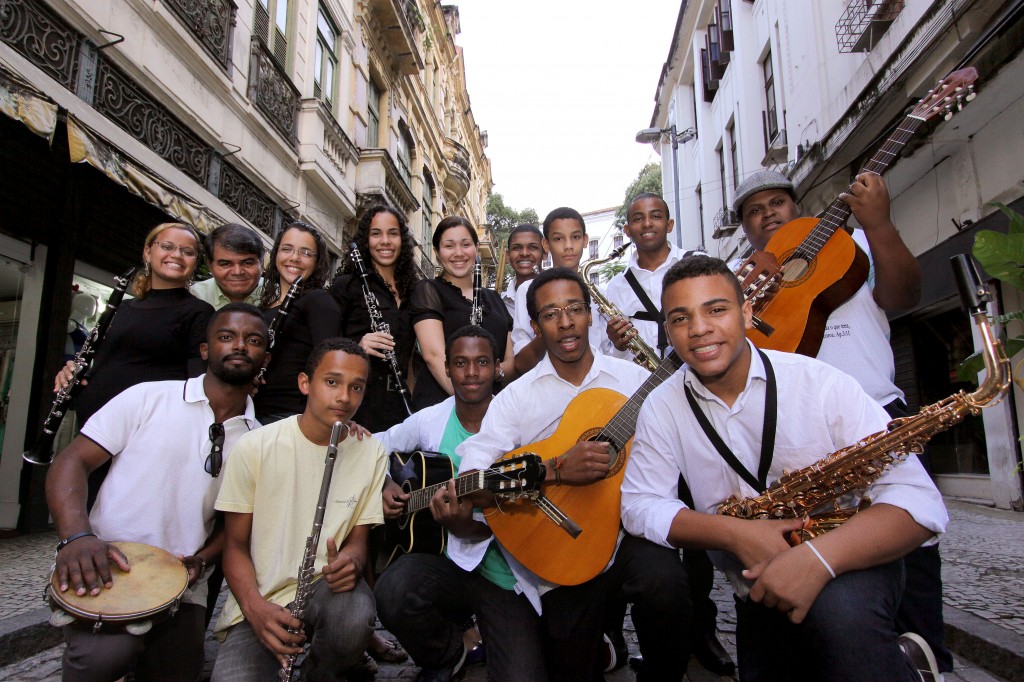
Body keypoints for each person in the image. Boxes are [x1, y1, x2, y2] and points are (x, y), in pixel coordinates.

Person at [620, 256, 947, 681]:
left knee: (842, 626)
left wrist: (818, 560)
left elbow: (919, 501)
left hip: (846, 559)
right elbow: (640, 504)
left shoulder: (822, 383)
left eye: (716, 309)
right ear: (667, 331)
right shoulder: (661, 407)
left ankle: (901, 666)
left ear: (748, 312)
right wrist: (735, 532)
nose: (698, 329)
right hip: (755, 586)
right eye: (680, 318)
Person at [733, 169, 951, 673]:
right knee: (805, 542)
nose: (767, 213)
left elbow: (903, 296)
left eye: (776, 203)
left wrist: (879, 225)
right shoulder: (743, 277)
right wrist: (751, 295)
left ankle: (923, 655)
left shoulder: (853, 243)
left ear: (797, 206)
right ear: (745, 227)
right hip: (795, 430)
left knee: (909, 537)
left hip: (876, 411)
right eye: (753, 211)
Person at [450, 268, 691, 682]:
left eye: (575, 309)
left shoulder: (636, 383)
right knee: (569, 667)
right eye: (550, 313)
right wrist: (554, 471)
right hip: (566, 546)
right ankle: (601, 644)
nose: (565, 322)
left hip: (628, 535)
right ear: (534, 325)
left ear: (590, 314)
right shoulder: (516, 399)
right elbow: (475, 472)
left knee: (667, 584)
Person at [44, 303, 268, 682]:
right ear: (204, 350)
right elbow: (71, 462)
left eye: (254, 340)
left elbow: (234, 523)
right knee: (101, 661)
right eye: (226, 336)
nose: (240, 345)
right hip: (106, 565)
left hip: (183, 585)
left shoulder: (261, 440)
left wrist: (203, 559)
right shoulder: (148, 397)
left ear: (266, 356)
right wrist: (77, 537)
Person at [600, 193, 729, 675]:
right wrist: (614, 342)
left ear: (669, 222)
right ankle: (625, 630)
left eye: (655, 215)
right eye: (636, 218)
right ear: (627, 228)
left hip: (696, 397)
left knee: (694, 518)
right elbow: (605, 362)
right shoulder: (616, 285)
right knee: (650, 509)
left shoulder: (699, 266)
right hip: (647, 405)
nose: (647, 224)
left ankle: (702, 632)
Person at [212, 337, 387, 681]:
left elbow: (358, 542)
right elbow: (233, 546)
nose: (344, 397)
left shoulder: (371, 452)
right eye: (332, 382)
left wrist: (349, 562)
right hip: (262, 598)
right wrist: (255, 609)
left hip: (325, 590)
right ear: (305, 383)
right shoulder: (255, 446)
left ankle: (322, 672)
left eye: (357, 387)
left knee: (353, 617)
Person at [54, 222, 214, 509]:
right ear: (148, 252)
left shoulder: (199, 312)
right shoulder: (120, 308)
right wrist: (71, 372)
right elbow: (102, 362)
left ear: (194, 262)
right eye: (167, 247)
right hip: (97, 427)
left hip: (148, 432)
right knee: (90, 511)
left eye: (187, 251)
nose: (176, 255)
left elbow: (197, 382)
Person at [373, 326, 501, 678]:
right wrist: (383, 482)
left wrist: (466, 526)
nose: (471, 373)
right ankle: (450, 653)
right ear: (447, 368)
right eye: (460, 363)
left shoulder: (515, 420)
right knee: (395, 590)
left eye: (482, 362)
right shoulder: (433, 418)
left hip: (506, 569)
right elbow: (376, 445)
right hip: (444, 562)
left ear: (498, 367)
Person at [330, 205, 419, 432]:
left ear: (402, 240)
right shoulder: (347, 285)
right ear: (365, 240)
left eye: (393, 233)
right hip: (359, 404)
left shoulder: (414, 291)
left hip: (401, 406)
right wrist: (357, 347)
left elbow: (410, 360)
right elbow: (325, 349)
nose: (385, 241)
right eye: (376, 233)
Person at [411, 216, 515, 410]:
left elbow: (510, 361)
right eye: (449, 246)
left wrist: (494, 375)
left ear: (476, 248)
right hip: (442, 407)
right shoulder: (428, 290)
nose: (458, 253)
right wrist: (471, 404)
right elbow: (433, 356)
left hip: (493, 408)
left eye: (466, 244)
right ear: (437, 252)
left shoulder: (494, 298)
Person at [254, 221, 341, 423]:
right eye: (287, 249)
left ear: (317, 261)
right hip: (254, 410)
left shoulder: (319, 301)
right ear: (276, 254)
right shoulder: (264, 307)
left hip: (291, 415)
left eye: (306, 253)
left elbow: (328, 363)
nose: (294, 258)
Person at [512, 207, 606, 375]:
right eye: (558, 239)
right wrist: (550, 327)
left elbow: (607, 353)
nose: (568, 246)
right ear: (546, 244)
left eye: (575, 237)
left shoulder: (599, 294)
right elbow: (521, 362)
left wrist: (619, 344)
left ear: (585, 240)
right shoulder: (528, 290)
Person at [191, 223, 265, 308]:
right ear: (210, 265)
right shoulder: (195, 296)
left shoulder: (278, 296)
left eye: (247, 263)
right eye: (225, 264)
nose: (237, 272)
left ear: (262, 263)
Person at [500, 223, 544, 317]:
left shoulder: (558, 294)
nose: (524, 253)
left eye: (533, 247)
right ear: (508, 256)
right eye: (516, 248)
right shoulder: (499, 304)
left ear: (544, 254)